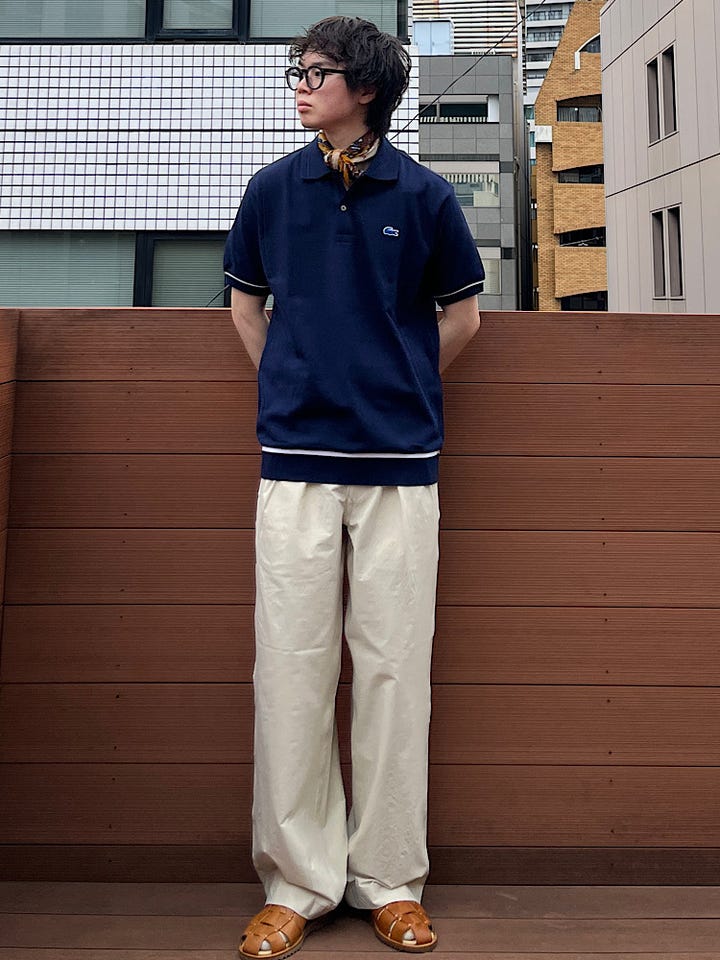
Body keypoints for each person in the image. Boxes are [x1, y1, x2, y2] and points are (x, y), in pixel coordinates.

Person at [224, 16, 484, 959]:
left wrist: (397, 388)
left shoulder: (425, 195)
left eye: (316, 72)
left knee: (392, 673)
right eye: (297, 71)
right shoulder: (271, 188)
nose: (301, 84)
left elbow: (463, 317)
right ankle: (297, 882)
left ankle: (390, 882)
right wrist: (294, 386)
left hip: (400, 469)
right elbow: (246, 306)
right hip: (294, 462)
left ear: (364, 88)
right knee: (290, 668)